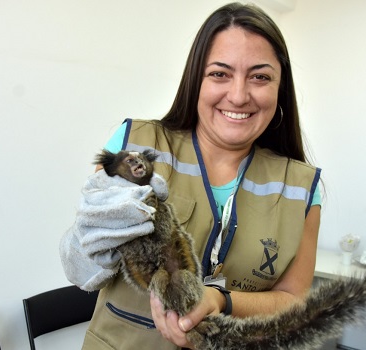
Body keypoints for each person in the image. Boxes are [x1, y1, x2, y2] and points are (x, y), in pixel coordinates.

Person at [60, 2, 321, 349]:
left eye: (260, 76)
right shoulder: (133, 146)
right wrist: (90, 242)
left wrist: (221, 301)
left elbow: (293, 299)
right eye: (219, 73)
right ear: (195, 78)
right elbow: (82, 269)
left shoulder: (301, 187)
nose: (239, 95)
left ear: (280, 88)